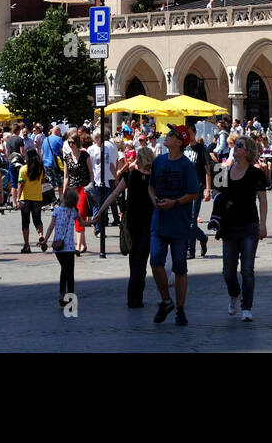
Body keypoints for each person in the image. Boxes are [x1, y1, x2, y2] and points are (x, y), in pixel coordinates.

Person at [88, 146, 155, 307]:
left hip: (131, 223)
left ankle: (134, 297)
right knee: (141, 261)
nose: (134, 160)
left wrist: (100, 212)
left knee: (135, 261)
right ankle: (136, 296)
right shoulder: (154, 177)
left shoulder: (130, 175)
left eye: (137, 157)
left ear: (141, 159)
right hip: (147, 223)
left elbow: (113, 194)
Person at [148, 125, 200, 326]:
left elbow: (194, 193)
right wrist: (153, 198)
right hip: (159, 220)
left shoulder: (186, 166)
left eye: (171, 135)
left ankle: (180, 309)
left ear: (179, 142)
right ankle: (166, 300)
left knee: (180, 267)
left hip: (179, 222)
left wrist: (175, 202)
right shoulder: (158, 161)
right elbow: (151, 185)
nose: (166, 136)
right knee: (155, 261)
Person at [216, 135, 268, 321]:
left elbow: (262, 198)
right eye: (236, 144)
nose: (235, 147)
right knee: (228, 272)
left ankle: (247, 307)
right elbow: (216, 194)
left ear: (247, 151)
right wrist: (222, 200)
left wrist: (263, 224)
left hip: (249, 226)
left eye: (240, 145)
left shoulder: (257, 174)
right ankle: (234, 294)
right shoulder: (225, 171)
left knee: (247, 270)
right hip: (229, 227)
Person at [40, 188, 81, 306]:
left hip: (58, 248)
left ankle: (62, 294)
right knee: (70, 272)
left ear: (64, 199)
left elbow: (50, 227)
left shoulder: (56, 210)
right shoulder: (73, 211)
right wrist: (95, 220)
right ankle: (70, 297)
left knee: (64, 270)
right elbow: (82, 223)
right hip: (69, 247)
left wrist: (45, 241)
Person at [182, 123, 213, 258]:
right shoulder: (182, 148)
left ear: (194, 133)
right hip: (184, 188)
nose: (188, 136)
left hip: (197, 187)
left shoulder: (201, 149)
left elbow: (207, 171)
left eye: (190, 133)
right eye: (186, 134)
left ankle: (190, 250)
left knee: (192, 218)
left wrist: (208, 189)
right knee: (186, 219)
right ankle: (202, 237)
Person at [60, 131, 92, 254]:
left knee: (81, 214)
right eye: (69, 142)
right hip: (72, 189)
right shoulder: (67, 157)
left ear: (77, 143)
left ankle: (78, 245)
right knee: (75, 216)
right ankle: (83, 244)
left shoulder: (85, 155)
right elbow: (66, 176)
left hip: (83, 188)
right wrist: (64, 192)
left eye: (72, 142)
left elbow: (91, 172)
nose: (70, 144)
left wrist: (91, 184)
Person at [17, 148, 48, 253]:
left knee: (25, 222)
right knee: (37, 220)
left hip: (25, 198)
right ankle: (41, 235)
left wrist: (17, 198)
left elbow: (21, 185)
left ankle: (26, 245)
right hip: (37, 198)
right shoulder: (40, 169)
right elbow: (43, 181)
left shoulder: (23, 169)